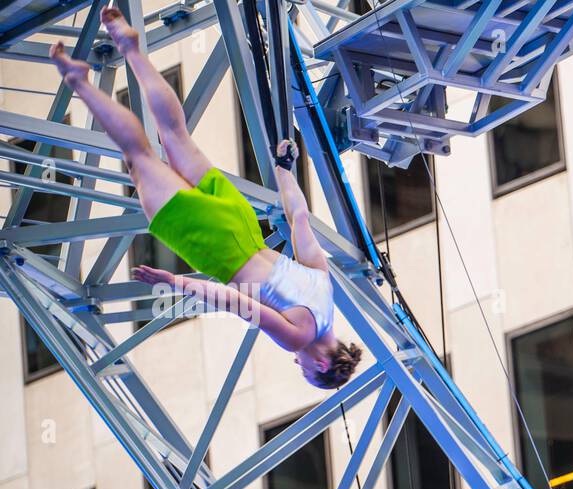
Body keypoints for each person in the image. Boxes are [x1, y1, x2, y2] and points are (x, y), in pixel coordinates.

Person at [49, 7, 362, 389]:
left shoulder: (325, 288)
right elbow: (236, 303)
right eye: (306, 371)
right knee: (139, 158)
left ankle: (131, 49)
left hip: (241, 220)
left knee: (174, 134)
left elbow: (299, 217)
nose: (298, 363)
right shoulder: (298, 336)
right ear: (323, 365)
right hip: (218, 247)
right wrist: (175, 282)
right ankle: (80, 83)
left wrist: (284, 168)